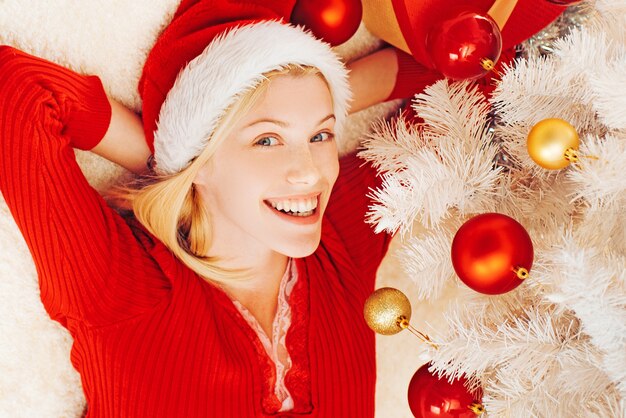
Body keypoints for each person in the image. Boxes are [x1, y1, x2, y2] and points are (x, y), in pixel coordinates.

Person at [0, 0, 564, 416]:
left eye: (321, 136)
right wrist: (169, 151)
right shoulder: (122, 285)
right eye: (267, 140)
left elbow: (479, 69)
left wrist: (333, 90)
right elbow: (17, 94)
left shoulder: (341, 243)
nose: (311, 170)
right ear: (203, 158)